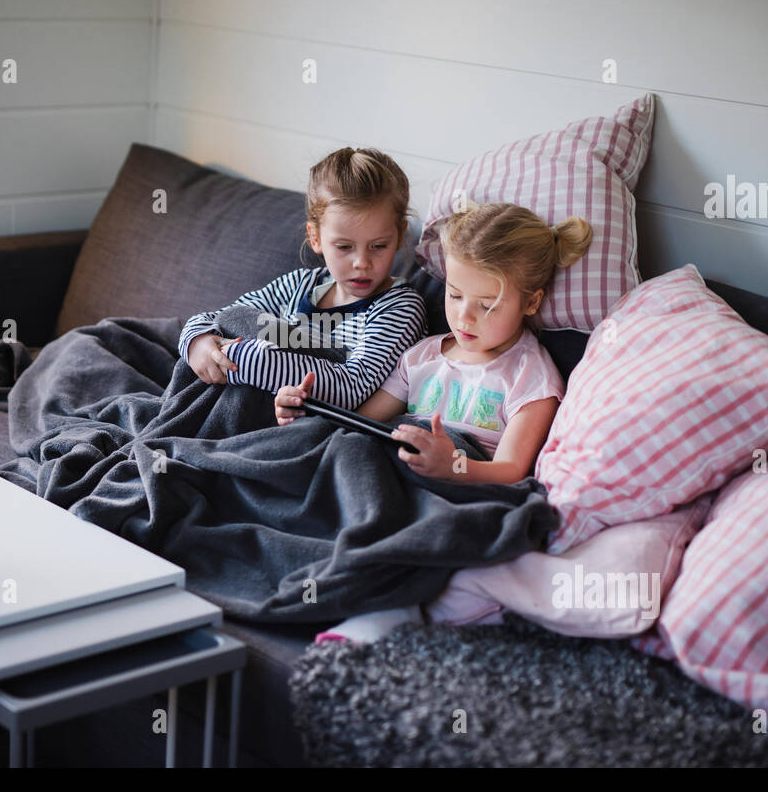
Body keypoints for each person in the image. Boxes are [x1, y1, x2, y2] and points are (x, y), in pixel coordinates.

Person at [274, 201, 593, 642]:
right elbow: (362, 425)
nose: (464, 316)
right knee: (336, 454)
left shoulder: (530, 375)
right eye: (456, 295)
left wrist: (452, 468)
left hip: (453, 484)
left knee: (420, 528)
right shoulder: (422, 356)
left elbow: (511, 471)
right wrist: (307, 411)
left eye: (486, 305)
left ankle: (385, 607)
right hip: (388, 465)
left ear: (531, 302)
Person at [179, 148, 427, 409]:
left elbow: (352, 387)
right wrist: (198, 342)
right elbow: (220, 318)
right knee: (235, 321)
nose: (362, 263)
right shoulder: (300, 284)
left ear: (399, 235)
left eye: (378, 246)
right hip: (243, 397)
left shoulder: (401, 306)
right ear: (316, 237)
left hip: (300, 419)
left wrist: (244, 358)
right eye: (344, 247)